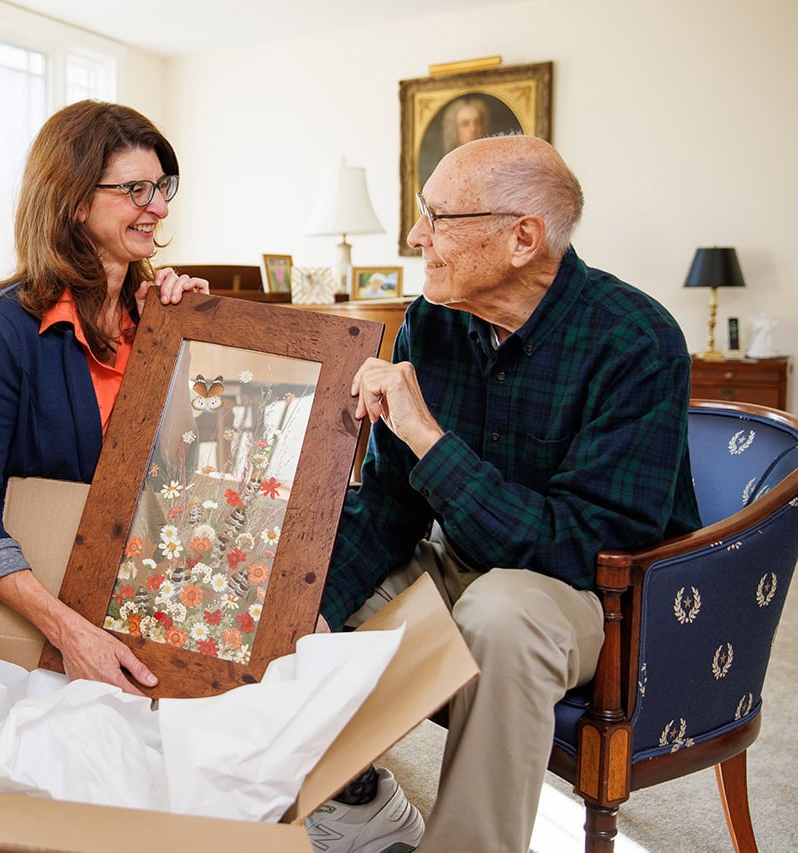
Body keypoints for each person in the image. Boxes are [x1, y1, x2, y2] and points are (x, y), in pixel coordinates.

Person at [305, 135, 701, 852]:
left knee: (503, 608)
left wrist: (428, 437)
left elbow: (581, 547)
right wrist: (317, 604)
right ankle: (353, 795)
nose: (414, 237)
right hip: (470, 557)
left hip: (595, 596)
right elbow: (393, 504)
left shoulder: (637, 341)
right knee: (310, 574)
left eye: (437, 217)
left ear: (523, 237)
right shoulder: (436, 320)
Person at [0, 100, 208, 696]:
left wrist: (194, 340)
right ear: (75, 201)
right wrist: (70, 632)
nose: (158, 208)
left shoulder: (159, 319)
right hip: (43, 618)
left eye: (162, 186)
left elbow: (186, 474)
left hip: (153, 592)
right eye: (136, 189)